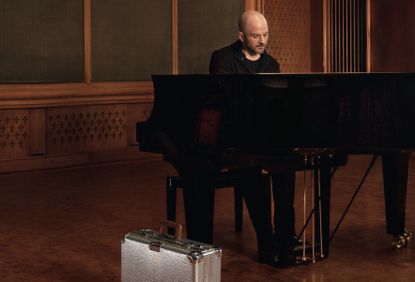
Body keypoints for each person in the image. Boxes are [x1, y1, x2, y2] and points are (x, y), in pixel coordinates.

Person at [209, 10, 298, 266]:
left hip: (264, 135)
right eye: (255, 35)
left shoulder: (271, 64)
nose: (262, 40)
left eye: (265, 35)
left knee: (287, 163)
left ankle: (284, 239)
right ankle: (266, 242)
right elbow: (223, 104)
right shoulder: (223, 59)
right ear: (241, 36)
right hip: (232, 137)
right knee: (251, 168)